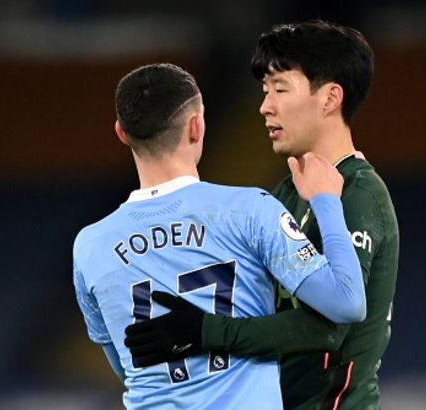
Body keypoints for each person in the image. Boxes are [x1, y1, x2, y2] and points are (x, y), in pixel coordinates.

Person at [124, 21, 399, 410]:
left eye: (280, 89)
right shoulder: (284, 194)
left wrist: (205, 331)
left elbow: (332, 326)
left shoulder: (359, 194)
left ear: (330, 98)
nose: (265, 106)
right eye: (265, 91)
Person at [73, 63, 367, 409]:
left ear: (122, 133)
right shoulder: (250, 211)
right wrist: (327, 202)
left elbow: (127, 365)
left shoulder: (90, 246)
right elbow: (347, 301)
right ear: (196, 126)